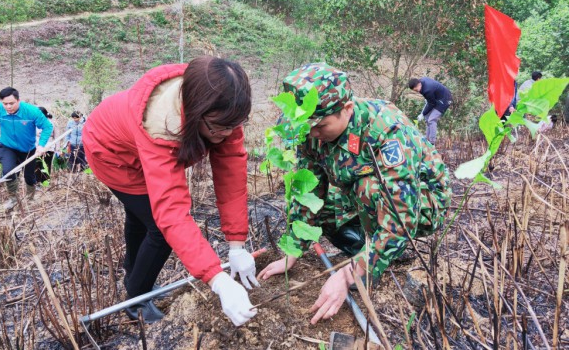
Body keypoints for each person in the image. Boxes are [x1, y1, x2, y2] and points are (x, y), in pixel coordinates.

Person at [258, 63, 451, 324]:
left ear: (347, 110)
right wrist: (293, 250)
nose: (312, 135)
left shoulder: (387, 131)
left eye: (320, 126)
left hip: (422, 201)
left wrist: (350, 273)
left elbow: (402, 219)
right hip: (362, 194)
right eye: (306, 127)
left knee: (369, 188)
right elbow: (308, 189)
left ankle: (372, 261)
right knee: (324, 211)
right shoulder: (312, 132)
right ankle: (367, 248)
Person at [83, 57, 258, 326]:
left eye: (233, 126)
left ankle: (133, 272)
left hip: (132, 139)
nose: (227, 133)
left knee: (140, 214)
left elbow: (231, 175)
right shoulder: (162, 122)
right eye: (220, 127)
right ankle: (137, 298)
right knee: (158, 227)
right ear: (197, 112)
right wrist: (217, 279)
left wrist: (236, 244)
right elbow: (172, 212)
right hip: (112, 152)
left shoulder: (223, 111)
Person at [0, 87, 53, 211]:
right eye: (5, 104)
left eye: (11, 103)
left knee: (29, 176)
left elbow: (47, 127)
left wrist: (41, 145)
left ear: (18, 100)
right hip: (7, 146)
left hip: (28, 148)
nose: (8, 106)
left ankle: (30, 198)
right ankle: (12, 199)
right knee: (8, 171)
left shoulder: (32, 111)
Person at [408, 77, 453, 144]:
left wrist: (422, 114)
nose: (418, 92)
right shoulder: (421, 81)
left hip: (445, 100)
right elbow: (429, 101)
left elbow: (431, 104)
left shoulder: (427, 90)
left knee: (431, 120)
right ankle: (427, 138)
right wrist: (424, 113)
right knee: (427, 117)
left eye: (417, 90)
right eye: (415, 91)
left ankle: (432, 142)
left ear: (419, 84)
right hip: (437, 98)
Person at [34, 107, 57, 185]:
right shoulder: (34, 122)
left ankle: (45, 182)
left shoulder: (52, 123)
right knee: (37, 164)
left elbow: (57, 137)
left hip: (49, 147)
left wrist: (58, 150)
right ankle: (37, 182)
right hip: (37, 147)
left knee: (46, 165)